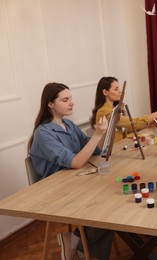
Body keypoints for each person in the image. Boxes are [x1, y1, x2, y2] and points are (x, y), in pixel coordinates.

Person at [28, 83, 113, 260]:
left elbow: (94, 150)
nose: (72, 103)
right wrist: (97, 134)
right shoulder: (43, 134)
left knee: (112, 204)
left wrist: (104, 131)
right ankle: (82, 249)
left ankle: (76, 242)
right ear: (50, 104)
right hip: (57, 191)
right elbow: (75, 162)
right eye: (65, 100)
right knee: (108, 209)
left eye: (71, 98)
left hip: (76, 182)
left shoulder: (69, 124)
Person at [90, 76, 157, 142]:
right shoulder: (104, 112)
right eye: (116, 89)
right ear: (105, 92)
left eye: (119, 88)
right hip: (114, 153)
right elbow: (133, 123)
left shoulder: (114, 109)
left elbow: (128, 127)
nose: (120, 91)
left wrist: (149, 124)